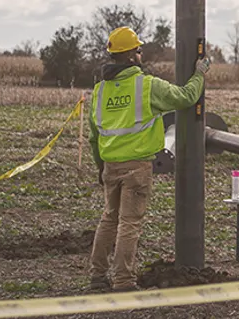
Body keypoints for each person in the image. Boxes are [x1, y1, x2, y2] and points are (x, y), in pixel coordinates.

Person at [87, 26, 211, 292]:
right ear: (132, 56)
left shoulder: (99, 92)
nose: (141, 54)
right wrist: (199, 74)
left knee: (109, 219)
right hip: (136, 168)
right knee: (129, 223)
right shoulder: (147, 85)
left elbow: (94, 137)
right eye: (139, 50)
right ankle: (123, 281)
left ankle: (97, 278)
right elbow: (187, 97)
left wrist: (101, 167)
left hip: (110, 166)